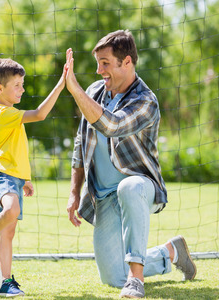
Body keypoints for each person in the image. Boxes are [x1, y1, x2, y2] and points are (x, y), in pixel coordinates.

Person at [64, 30, 196, 298]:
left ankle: (136, 280)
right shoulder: (95, 92)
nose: (99, 70)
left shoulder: (146, 101)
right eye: (98, 63)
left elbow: (113, 125)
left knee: (129, 186)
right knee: (112, 276)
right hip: (103, 195)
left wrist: (74, 88)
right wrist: (74, 191)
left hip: (140, 187)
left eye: (105, 63)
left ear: (127, 62)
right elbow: (81, 141)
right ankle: (170, 252)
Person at [0, 58, 67, 297]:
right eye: (17, 85)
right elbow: (41, 114)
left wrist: (25, 179)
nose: (22, 89)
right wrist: (61, 85)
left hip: (15, 176)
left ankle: (5, 281)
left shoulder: (12, 114)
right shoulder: (3, 113)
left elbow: (16, 150)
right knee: (11, 210)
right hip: (2, 174)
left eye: (22, 84)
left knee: (10, 232)